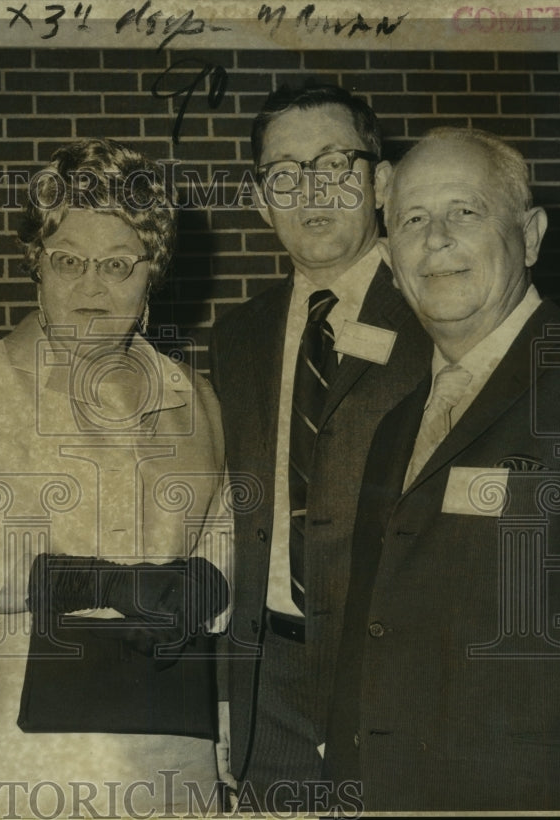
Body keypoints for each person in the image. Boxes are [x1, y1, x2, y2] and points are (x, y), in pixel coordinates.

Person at [0, 138, 233, 817]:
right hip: (21, 756)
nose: (92, 286)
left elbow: (222, 539)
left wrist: (206, 586)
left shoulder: (193, 397)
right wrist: (89, 580)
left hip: (167, 747)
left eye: (118, 264)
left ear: (152, 275)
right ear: (35, 264)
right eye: (68, 261)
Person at [325, 127, 560, 810]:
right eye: (412, 219)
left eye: (464, 212)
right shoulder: (392, 427)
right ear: (389, 256)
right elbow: (369, 626)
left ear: (529, 235)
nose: (435, 238)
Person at [207, 83, 431, 811]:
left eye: (335, 164)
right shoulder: (237, 339)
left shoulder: (442, 315)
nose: (311, 190)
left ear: (381, 182)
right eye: (285, 172)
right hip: (266, 680)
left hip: (396, 673)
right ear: (260, 197)